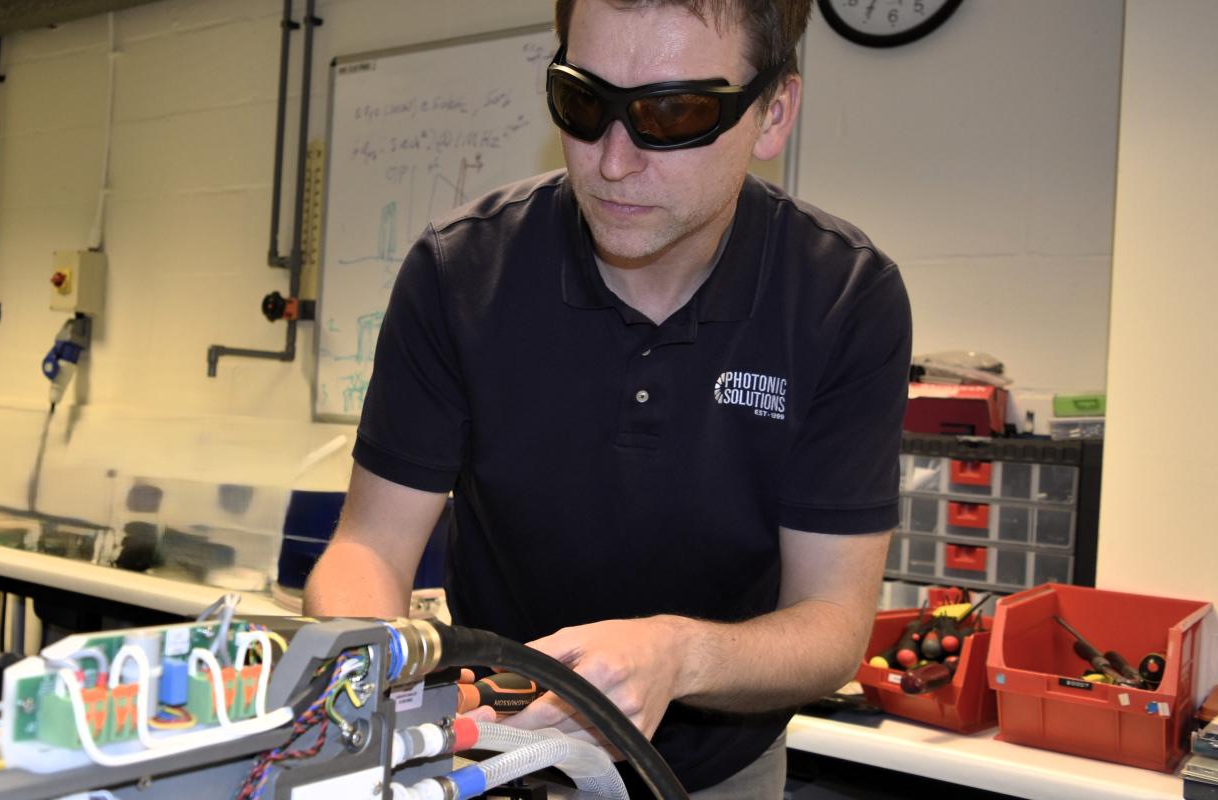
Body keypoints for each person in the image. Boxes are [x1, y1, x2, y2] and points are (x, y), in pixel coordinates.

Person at [304, 0, 911, 796]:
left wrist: (679, 655)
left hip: (720, 772)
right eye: (582, 101)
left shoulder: (843, 297)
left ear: (772, 113)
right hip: (493, 755)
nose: (613, 163)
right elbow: (368, 549)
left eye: (675, 114)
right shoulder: (462, 274)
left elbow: (832, 626)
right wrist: (375, 684)